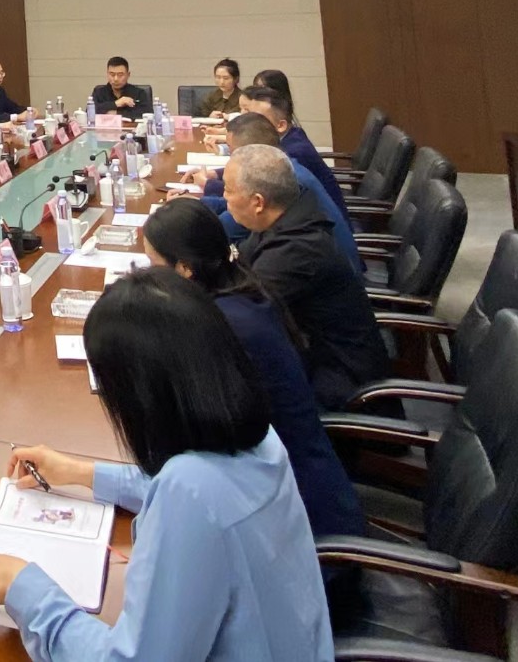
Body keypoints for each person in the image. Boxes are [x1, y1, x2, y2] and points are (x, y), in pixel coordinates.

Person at [0, 270, 333, 661]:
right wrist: (80, 473)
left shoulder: (191, 490)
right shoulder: (255, 435)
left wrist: (24, 589)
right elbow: (204, 497)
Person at [141, 199, 365, 542]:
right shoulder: (240, 291)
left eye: (153, 264)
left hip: (295, 523)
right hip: (291, 486)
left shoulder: (227, 327)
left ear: (184, 269)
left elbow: (194, 462)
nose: (148, 274)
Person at [224, 145, 389, 410]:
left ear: (258, 202)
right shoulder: (288, 214)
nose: (224, 197)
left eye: (228, 190)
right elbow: (240, 265)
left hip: (339, 377)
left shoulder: (297, 251)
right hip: (309, 351)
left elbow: (239, 310)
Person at [188, 114, 362, 273]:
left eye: (232, 151)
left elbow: (222, 230)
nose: (230, 157)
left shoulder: (286, 248)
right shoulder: (284, 169)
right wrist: (197, 203)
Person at [240, 86, 347, 217]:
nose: (249, 124)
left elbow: (257, 191)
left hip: (323, 222)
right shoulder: (292, 135)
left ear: (281, 125)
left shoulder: (293, 154)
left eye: (258, 119)